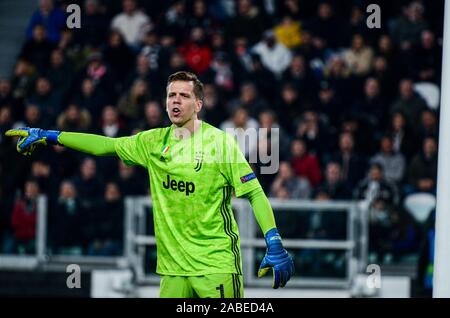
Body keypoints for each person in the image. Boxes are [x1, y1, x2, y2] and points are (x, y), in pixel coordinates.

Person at [5, 71, 294, 298]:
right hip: (172, 270)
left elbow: (254, 193)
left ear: (199, 104)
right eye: (171, 95)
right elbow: (105, 145)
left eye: (183, 95)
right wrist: (50, 135)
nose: (175, 101)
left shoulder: (220, 143)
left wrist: (273, 240)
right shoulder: (152, 142)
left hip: (215, 265)